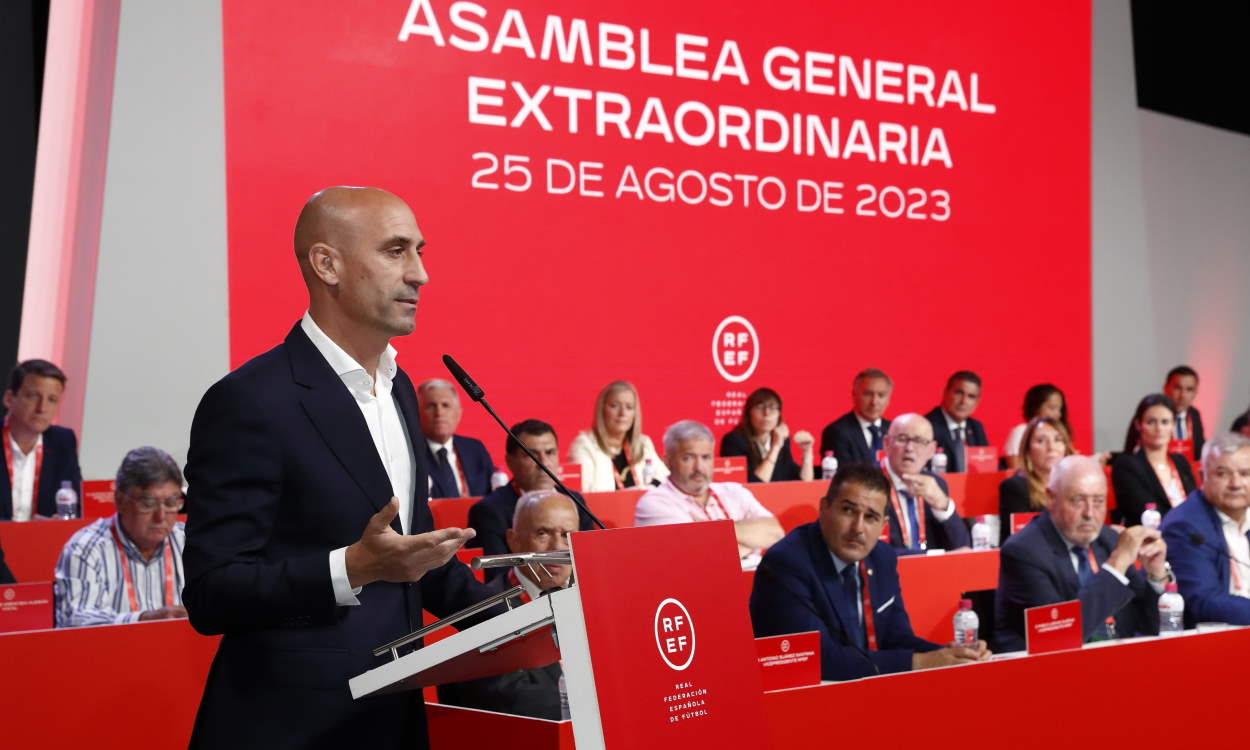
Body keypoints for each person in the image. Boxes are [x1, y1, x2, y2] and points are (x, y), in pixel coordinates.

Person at [181, 187, 492, 750]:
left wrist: (523, 604)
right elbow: (211, 592)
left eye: (421, 251)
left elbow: (408, 555)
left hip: (394, 719)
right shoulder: (250, 402)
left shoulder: (398, 393)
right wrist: (350, 567)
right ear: (327, 264)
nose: (420, 274)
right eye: (396, 251)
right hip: (291, 728)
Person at [750, 463, 990, 680]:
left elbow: (896, 638)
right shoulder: (787, 564)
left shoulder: (881, 557)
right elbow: (819, 659)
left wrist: (951, 655)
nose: (858, 528)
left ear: (883, 526)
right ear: (824, 508)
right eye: (848, 511)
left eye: (871, 517)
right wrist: (924, 662)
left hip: (865, 691)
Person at [994, 456, 1169, 652]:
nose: (1089, 513)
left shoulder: (1108, 539)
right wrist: (1117, 564)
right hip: (1048, 672)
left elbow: (1152, 626)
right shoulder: (1023, 552)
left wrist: (1156, 575)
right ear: (1050, 498)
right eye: (1078, 500)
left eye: (1098, 501)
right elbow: (1058, 637)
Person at [438, 491, 578, 718]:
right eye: (542, 534)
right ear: (513, 540)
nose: (557, 547)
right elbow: (504, 696)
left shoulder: (591, 599)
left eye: (567, 535)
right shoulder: (486, 607)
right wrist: (595, 701)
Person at [54, 447, 187, 627]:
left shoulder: (188, 541)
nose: (161, 516)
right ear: (119, 501)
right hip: (109, 653)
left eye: (171, 502)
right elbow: (75, 622)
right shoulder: (85, 548)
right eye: (148, 503)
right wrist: (143, 620)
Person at [635, 420, 783, 559]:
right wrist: (749, 542)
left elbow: (776, 534)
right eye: (688, 458)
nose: (699, 467)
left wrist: (719, 530)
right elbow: (697, 556)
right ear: (668, 461)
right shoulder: (653, 503)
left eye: (705, 457)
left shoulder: (734, 492)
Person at [467, 419, 595, 578]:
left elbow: (591, 561)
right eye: (531, 455)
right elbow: (497, 576)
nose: (543, 463)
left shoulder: (575, 501)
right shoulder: (489, 511)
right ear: (510, 461)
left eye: (550, 453)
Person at [1160, 432, 1250, 626]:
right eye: (1222, 474)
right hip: (1218, 641)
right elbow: (1204, 602)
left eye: (1245, 474)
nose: (1236, 484)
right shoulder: (1185, 527)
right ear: (1202, 476)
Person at [0, 359, 82, 521]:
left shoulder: (63, 442)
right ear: (9, 399)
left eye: (52, 400)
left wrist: (62, 521)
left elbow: (77, 505)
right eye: (33, 396)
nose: (42, 408)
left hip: (42, 542)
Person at [878, 414, 970, 554]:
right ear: (886, 443)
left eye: (919, 441)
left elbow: (962, 546)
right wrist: (932, 556)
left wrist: (943, 506)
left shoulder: (936, 484)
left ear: (932, 450)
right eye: (902, 439)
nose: (910, 448)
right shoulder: (866, 484)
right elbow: (873, 550)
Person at [1111, 394, 1197, 526]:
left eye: (1165, 422)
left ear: (1173, 425)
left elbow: (1195, 503)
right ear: (1138, 425)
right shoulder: (1127, 465)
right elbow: (1144, 512)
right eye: (1151, 422)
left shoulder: (1180, 462)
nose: (1159, 428)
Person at [568, 380, 667, 492]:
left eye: (629, 407)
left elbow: (665, 481)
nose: (622, 413)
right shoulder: (584, 445)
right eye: (614, 406)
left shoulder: (643, 444)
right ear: (602, 410)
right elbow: (583, 496)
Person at [998, 416, 1075, 544]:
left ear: (1066, 448)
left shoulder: (1074, 486)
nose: (1051, 447)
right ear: (1028, 451)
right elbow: (1022, 540)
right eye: (1041, 441)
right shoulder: (1015, 487)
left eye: (1057, 440)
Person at [418, 378, 495, 498]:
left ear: (458, 413)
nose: (439, 412)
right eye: (431, 406)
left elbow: (492, 495)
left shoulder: (475, 449)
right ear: (417, 414)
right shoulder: (410, 452)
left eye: (445, 405)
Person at [719, 387, 814, 482]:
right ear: (749, 413)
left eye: (772, 408)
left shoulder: (782, 441)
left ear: (779, 414)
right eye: (760, 407)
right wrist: (775, 448)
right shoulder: (733, 441)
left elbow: (804, 482)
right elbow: (754, 484)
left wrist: (807, 453)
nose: (766, 413)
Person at [820, 369, 892, 466]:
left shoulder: (894, 431)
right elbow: (844, 476)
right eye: (868, 394)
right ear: (854, 394)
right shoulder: (837, 432)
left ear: (888, 399)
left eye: (881, 395)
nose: (874, 402)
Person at [924, 371, 989, 473]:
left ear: (977, 402)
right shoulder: (926, 426)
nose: (964, 401)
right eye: (959, 393)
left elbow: (986, 467)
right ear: (945, 392)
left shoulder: (976, 427)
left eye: (971, 396)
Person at [1003, 384, 1069, 470]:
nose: (1058, 414)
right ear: (1036, 407)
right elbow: (1016, 469)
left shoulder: (1060, 432)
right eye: (1052, 408)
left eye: (1060, 409)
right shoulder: (1022, 431)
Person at [1163, 365, 1204, 460]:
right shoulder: (1153, 415)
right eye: (1177, 388)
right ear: (1165, 388)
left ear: (1195, 393)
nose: (1183, 395)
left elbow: (1199, 450)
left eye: (1189, 389)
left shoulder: (1194, 414)